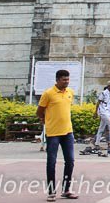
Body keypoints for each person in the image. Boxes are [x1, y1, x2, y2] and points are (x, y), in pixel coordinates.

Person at [36, 69, 77, 201]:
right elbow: (39, 111)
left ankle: (66, 190)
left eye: (68, 79)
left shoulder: (70, 92)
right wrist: (46, 121)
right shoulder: (48, 93)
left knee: (70, 161)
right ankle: (51, 191)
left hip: (68, 132)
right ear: (57, 80)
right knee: (51, 162)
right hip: (53, 133)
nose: (67, 82)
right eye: (64, 79)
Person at [94, 80, 110, 153]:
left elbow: (109, 105)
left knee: (101, 129)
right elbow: (98, 102)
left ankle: (97, 144)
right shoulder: (103, 93)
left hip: (107, 113)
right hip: (103, 112)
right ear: (109, 86)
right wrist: (95, 112)